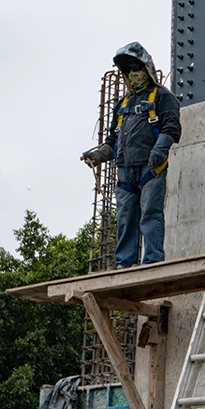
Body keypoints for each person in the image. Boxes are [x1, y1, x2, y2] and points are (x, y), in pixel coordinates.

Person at [81, 42, 181, 267]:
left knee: (150, 215)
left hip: (150, 170)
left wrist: (160, 148)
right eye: (129, 70)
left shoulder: (162, 97)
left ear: (147, 69)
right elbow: (112, 142)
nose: (133, 74)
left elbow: (171, 128)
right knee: (125, 220)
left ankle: (152, 263)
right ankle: (123, 265)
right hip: (126, 174)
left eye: (137, 68)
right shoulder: (122, 104)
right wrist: (98, 156)